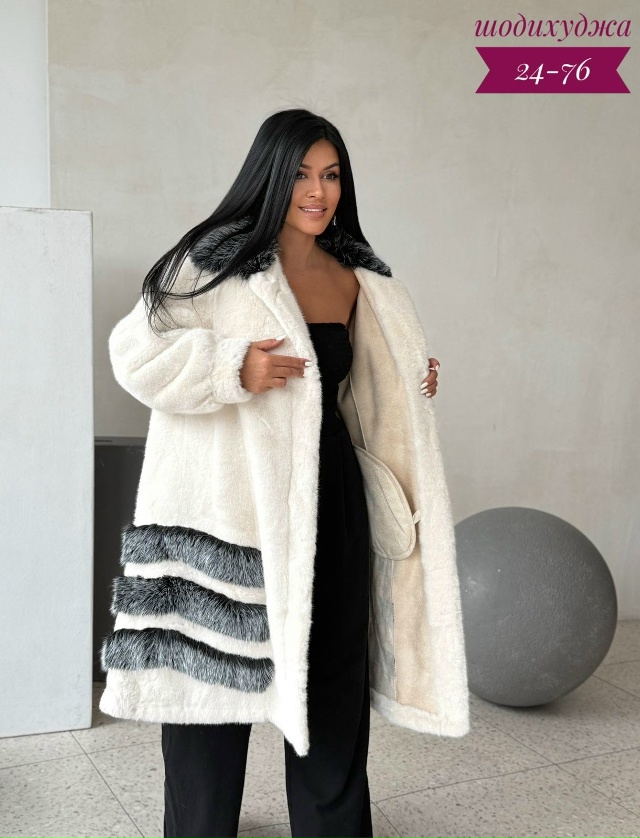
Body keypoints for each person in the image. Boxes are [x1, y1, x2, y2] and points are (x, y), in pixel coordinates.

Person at [100, 108, 469, 838]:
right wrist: (230, 366)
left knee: (332, 688)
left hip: (331, 504)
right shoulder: (211, 263)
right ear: (269, 176)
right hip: (228, 511)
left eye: (331, 175)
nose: (318, 191)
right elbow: (134, 356)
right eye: (301, 174)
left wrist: (408, 375)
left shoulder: (356, 279)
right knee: (212, 693)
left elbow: (358, 393)